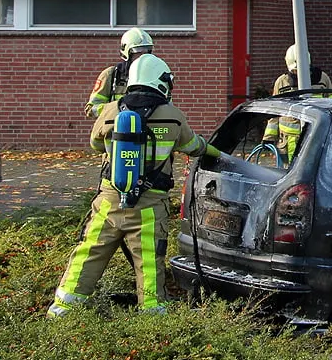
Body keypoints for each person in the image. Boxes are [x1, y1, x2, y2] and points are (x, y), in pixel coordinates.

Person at [49, 53, 224, 317]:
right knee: (149, 263)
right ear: (161, 82)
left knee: (89, 254)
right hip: (150, 206)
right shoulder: (172, 116)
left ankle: (62, 309)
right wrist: (216, 152)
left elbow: (95, 145)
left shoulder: (111, 110)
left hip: (109, 200)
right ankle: (152, 318)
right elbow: (192, 146)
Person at [263, 45, 332, 162]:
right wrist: (269, 137)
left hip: (316, 136)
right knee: (290, 172)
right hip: (289, 141)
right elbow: (274, 112)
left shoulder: (322, 79)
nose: (297, 73)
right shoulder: (282, 82)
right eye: (295, 71)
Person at [84, 27, 155, 119]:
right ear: (127, 53)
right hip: (116, 130)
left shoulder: (155, 76)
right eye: (138, 52)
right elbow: (91, 109)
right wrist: (117, 108)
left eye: (146, 52)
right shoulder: (111, 75)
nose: (143, 57)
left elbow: (167, 107)